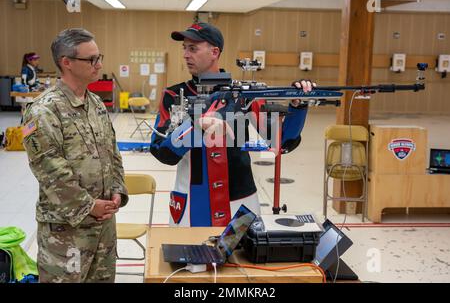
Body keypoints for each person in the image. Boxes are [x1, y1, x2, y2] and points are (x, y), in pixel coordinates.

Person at [150, 22, 314, 227]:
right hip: (191, 201)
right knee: (189, 258)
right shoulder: (173, 95)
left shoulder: (244, 94)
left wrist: (298, 107)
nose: (185, 54)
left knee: (243, 258)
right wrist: (196, 127)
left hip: (241, 201)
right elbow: (161, 151)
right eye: (184, 48)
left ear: (214, 52)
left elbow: (281, 141)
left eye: (193, 48)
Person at [21, 28, 128, 283]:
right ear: (66, 62)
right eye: (91, 59)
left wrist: (117, 190)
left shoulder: (97, 104)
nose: (99, 64)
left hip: (103, 227)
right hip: (66, 232)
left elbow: (112, 154)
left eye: (99, 56)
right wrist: (90, 206)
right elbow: (51, 171)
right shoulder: (43, 111)